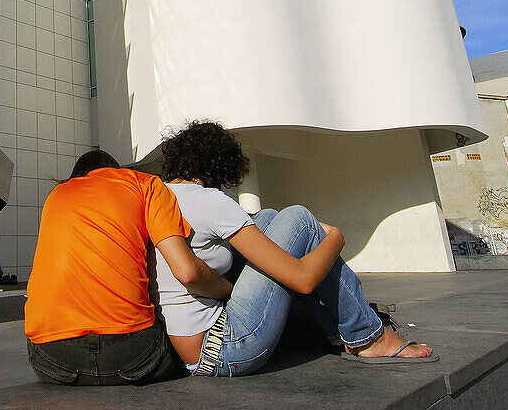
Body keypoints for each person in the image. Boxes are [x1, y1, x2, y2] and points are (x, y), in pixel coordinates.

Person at [154, 121, 436, 376]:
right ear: (222, 165)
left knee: (267, 218)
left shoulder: (159, 196)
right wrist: (335, 237)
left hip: (179, 349)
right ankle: (369, 336)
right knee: (300, 219)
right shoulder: (210, 201)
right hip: (224, 348)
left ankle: (342, 331)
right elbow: (303, 279)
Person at [25, 149, 233, 385]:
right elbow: (186, 272)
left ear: (77, 176)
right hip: (132, 358)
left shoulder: (56, 195)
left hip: (51, 362)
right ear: (118, 171)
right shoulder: (144, 184)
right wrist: (227, 289)